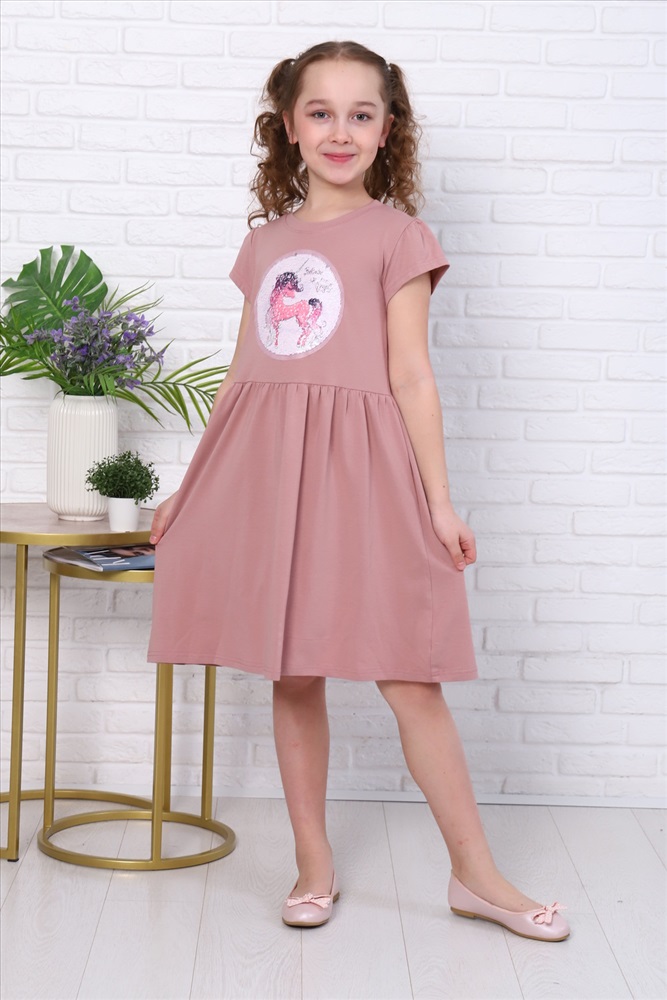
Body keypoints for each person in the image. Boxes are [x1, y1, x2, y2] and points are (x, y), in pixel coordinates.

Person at [147, 40, 570, 942]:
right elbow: (242, 378)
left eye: (360, 114)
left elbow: (410, 374)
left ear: (386, 131)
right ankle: (313, 865)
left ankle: (475, 875)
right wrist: (191, 487)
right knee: (293, 670)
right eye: (320, 112)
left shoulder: (397, 237)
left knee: (409, 676)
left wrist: (438, 502)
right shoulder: (265, 245)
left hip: (365, 473)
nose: (339, 131)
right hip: (269, 475)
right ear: (288, 128)